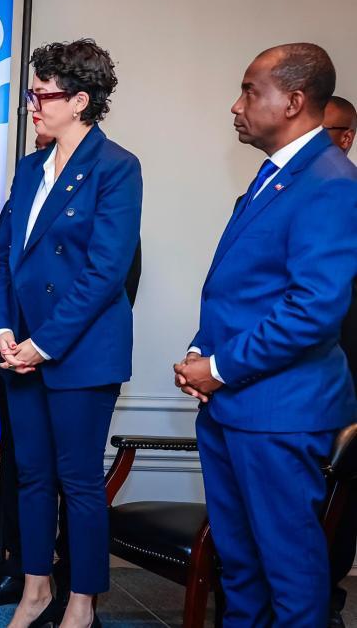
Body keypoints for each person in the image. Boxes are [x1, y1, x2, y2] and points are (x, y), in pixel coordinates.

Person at [174, 43, 357, 627]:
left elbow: (312, 310)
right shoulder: (277, 174)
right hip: (235, 407)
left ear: (294, 101)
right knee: (241, 569)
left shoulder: (330, 182)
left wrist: (220, 367)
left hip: (280, 412)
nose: (237, 104)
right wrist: (203, 352)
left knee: (290, 574)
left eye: (251, 91)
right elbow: (240, 287)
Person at [0, 39, 142, 628]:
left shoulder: (117, 167)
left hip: (77, 354)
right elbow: (2, 258)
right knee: (30, 478)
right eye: (32, 92)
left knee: (78, 482)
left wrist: (41, 344)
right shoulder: (29, 169)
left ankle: (82, 601)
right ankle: (35, 590)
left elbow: (107, 272)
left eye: (42, 94)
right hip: (19, 348)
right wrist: (4, 331)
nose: (33, 104)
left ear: (79, 101)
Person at [323, 93, 356, 628]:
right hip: (289, 381)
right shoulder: (267, 190)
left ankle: (324, 600)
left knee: (338, 506)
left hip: (346, 379)